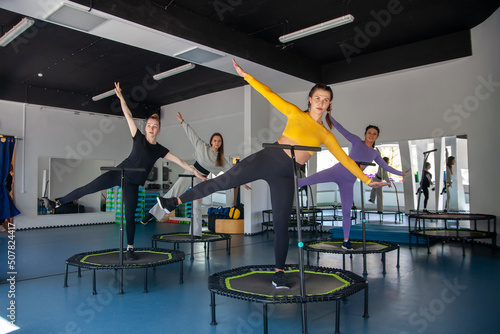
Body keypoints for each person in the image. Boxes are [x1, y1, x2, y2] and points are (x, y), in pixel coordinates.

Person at [157, 59, 388, 288]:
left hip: (287, 175)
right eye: (317, 98)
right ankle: (173, 201)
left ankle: (279, 274)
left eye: (325, 100)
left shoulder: (326, 135)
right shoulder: (296, 113)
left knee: (280, 223)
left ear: (329, 105)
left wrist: (368, 179)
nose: (321, 102)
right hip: (267, 159)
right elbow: (269, 94)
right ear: (310, 99)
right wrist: (246, 76)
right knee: (222, 182)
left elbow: (345, 159)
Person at [43, 82, 205, 260]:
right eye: (149, 125)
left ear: (159, 129)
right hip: (119, 173)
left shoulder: (159, 149)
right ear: (146, 128)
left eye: (155, 126)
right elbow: (128, 115)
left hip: (133, 184)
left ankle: (129, 249)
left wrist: (195, 172)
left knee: (130, 215)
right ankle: (56, 203)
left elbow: (179, 161)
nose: (151, 128)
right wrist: (121, 97)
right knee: (88, 187)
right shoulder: (139, 138)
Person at [299, 120, 408, 250]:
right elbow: (341, 129)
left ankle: (346, 241)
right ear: (365, 134)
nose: (371, 135)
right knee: (309, 180)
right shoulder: (357, 141)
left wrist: (401, 173)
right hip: (338, 170)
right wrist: (329, 116)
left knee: (346, 211)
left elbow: (386, 167)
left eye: (374, 134)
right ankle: (287, 182)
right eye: (369, 133)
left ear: (377, 136)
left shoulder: (375, 154)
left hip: (349, 181)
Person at [141, 112, 249, 238]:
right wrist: (183, 122)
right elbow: (192, 135)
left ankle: (196, 234)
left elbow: (232, 171)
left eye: (219, 141)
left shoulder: (221, 160)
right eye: (215, 140)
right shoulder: (202, 146)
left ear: (221, 144)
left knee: (196, 205)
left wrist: (242, 182)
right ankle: (151, 215)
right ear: (211, 141)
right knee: (174, 191)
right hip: (192, 172)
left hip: (201, 179)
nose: (217, 143)